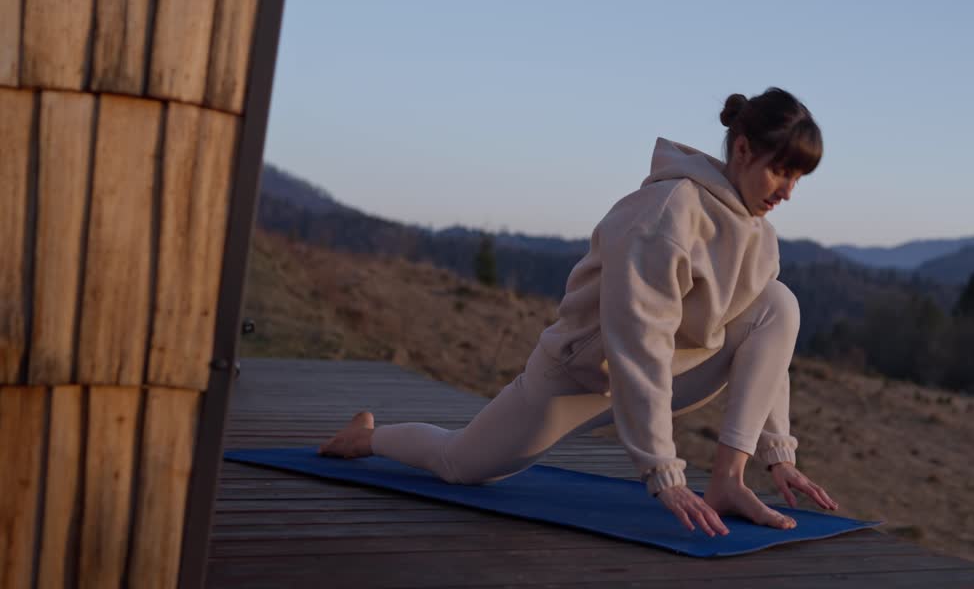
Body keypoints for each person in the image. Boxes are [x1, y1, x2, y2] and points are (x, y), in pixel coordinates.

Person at [320, 87, 838, 536]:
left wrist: (777, 448)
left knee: (778, 302)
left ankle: (729, 479)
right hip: (578, 375)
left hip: (670, 378)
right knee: (461, 464)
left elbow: (768, 343)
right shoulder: (667, 213)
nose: (788, 192)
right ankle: (367, 437)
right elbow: (640, 341)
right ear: (743, 149)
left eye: (799, 178)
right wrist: (663, 471)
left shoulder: (759, 238)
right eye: (780, 171)